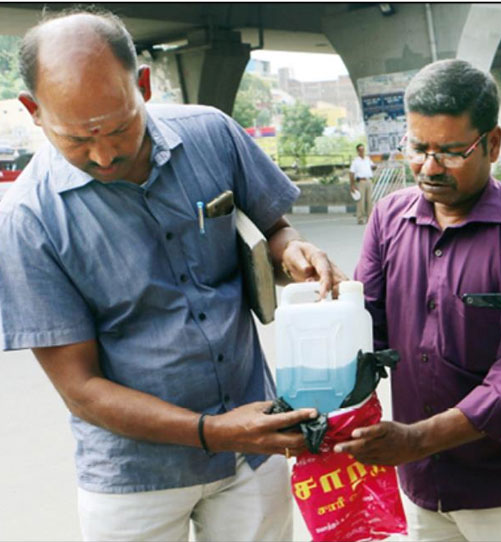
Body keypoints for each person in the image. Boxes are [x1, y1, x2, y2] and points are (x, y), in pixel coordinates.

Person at [0, 10, 345, 542]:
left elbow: (273, 229)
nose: (105, 153)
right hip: (135, 479)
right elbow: (82, 389)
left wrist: (293, 251)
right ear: (33, 112)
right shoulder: (28, 220)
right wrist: (212, 432)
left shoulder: (212, 133)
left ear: (142, 85)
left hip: (253, 455)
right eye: (77, 140)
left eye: (119, 127)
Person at [336, 59, 501, 541]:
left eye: (449, 151)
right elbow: (368, 330)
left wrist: (417, 438)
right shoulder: (389, 219)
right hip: (424, 485)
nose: (428, 167)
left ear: (493, 143)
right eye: (418, 148)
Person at [349, 142, 375, 224]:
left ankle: (370, 218)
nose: (362, 151)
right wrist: (352, 185)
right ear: (357, 151)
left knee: (369, 201)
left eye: (363, 150)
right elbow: (351, 173)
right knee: (361, 201)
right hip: (361, 181)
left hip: (369, 180)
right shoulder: (355, 161)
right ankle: (360, 218)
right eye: (360, 150)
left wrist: (374, 167)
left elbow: (372, 166)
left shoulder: (368, 159)